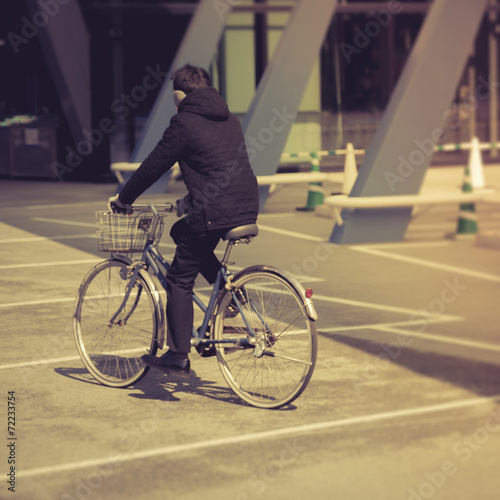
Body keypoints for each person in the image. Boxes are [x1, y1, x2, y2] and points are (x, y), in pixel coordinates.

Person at [108, 64, 259, 377]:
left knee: (179, 279)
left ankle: (177, 355)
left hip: (213, 210)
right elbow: (218, 167)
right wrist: (187, 202)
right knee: (181, 231)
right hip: (246, 204)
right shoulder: (230, 119)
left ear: (179, 94)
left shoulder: (184, 122)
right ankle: (229, 293)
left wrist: (124, 199)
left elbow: (153, 166)